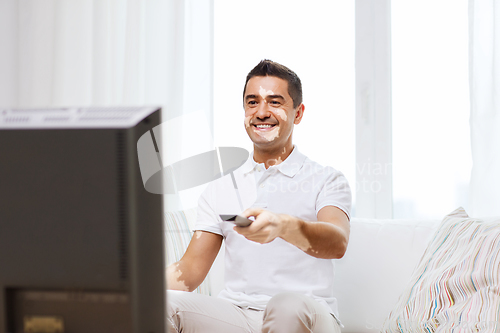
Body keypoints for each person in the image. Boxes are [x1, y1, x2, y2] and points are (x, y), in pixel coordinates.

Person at [166, 59, 351, 333]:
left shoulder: (326, 179)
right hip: (238, 315)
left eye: (275, 102)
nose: (261, 112)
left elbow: (337, 243)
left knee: (286, 305)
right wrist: (126, 285)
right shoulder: (221, 188)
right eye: (252, 102)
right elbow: (190, 271)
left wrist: (283, 226)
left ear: (298, 113)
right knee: (163, 304)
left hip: (309, 313)